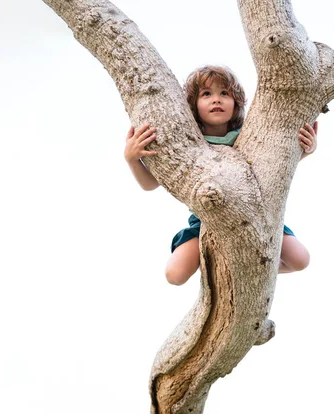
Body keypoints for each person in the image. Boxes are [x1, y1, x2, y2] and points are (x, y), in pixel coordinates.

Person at [124, 66, 318, 285]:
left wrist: (306, 151)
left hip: (254, 213)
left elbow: (274, 165)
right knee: (175, 275)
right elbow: (150, 184)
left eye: (224, 93)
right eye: (206, 94)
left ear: (236, 103)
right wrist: (132, 159)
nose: (216, 99)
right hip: (205, 219)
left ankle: (250, 267)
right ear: (193, 104)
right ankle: (218, 264)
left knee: (300, 260)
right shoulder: (186, 142)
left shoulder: (248, 136)